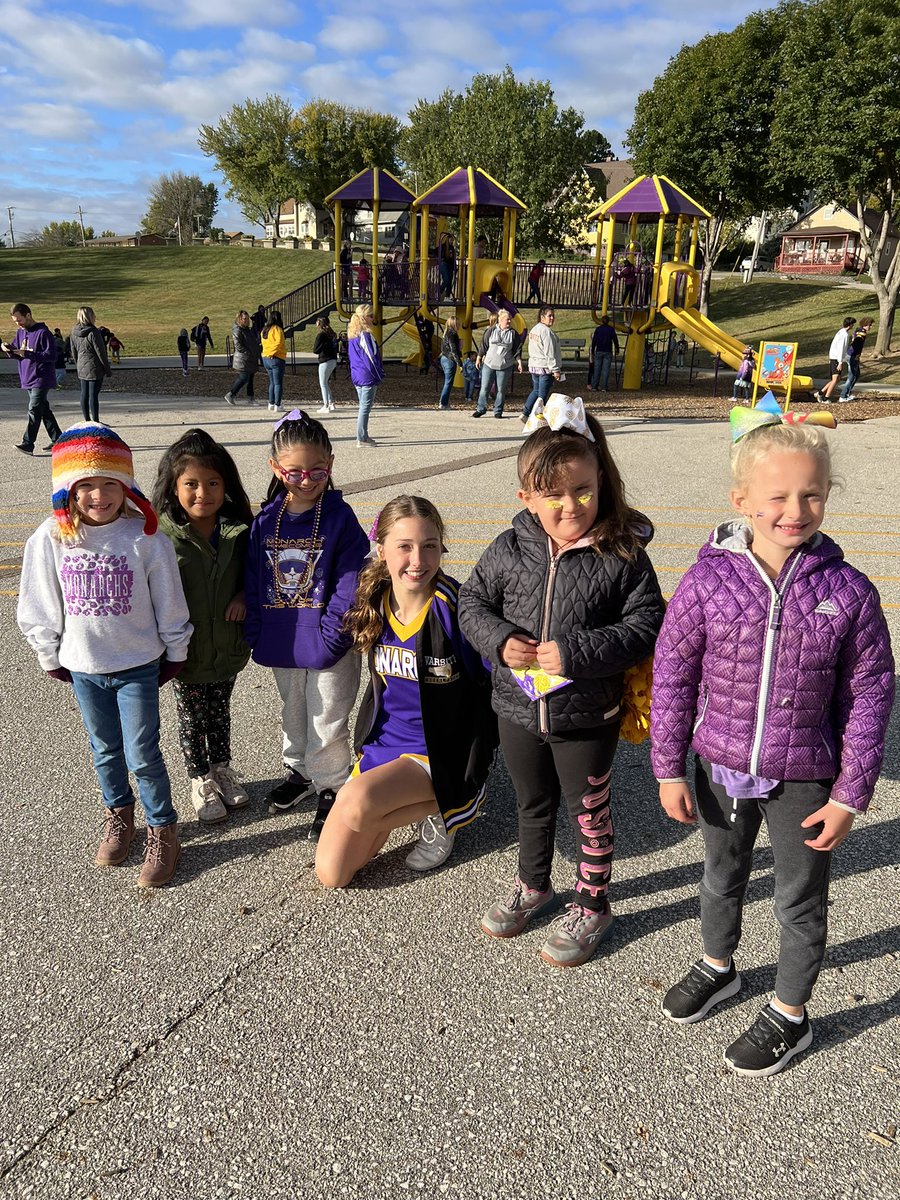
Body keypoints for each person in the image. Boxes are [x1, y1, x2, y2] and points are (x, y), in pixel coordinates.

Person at [650, 411, 894, 1076]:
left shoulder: (848, 592)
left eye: (812, 494)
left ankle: (791, 1012)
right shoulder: (707, 581)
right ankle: (718, 964)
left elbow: (872, 693)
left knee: (798, 896)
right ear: (742, 502)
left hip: (806, 775)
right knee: (721, 875)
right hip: (719, 765)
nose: (795, 510)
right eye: (778, 497)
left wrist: (850, 792)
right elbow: (671, 675)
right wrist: (669, 766)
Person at [459, 396, 666, 966]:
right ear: (526, 496)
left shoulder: (622, 553)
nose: (570, 505)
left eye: (582, 490)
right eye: (552, 494)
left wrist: (577, 652)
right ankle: (535, 885)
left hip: (586, 713)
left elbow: (647, 623)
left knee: (589, 810)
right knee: (532, 803)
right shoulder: (509, 548)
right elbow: (472, 602)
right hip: (518, 708)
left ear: (602, 481)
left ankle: (594, 901)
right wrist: (500, 640)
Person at [16, 423, 193, 887]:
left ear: (126, 485)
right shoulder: (52, 538)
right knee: (104, 750)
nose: (98, 495)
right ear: (67, 490)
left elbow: (169, 601)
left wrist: (175, 649)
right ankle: (120, 816)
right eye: (86, 485)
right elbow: (39, 601)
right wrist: (48, 652)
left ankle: (162, 828)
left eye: (109, 483)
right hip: (85, 667)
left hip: (137, 664)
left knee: (142, 753)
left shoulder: (146, 538)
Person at [315, 496, 495, 887]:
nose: (418, 560)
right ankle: (410, 802)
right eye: (405, 547)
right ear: (381, 550)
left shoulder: (458, 610)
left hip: (437, 751)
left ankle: (451, 806)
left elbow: (498, 678)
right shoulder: (374, 602)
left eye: (430, 545)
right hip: (384, 745)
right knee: (333, 875)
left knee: (359, 807)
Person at [244, 409, 369, 836]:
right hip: (283, 640)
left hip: (328, 642)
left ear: (330, 464)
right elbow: (255, 578)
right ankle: (299, 771)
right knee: (293, 708)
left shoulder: (340, 518)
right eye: (294, 472)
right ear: (276, 469)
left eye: (316, 470)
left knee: (328, 714)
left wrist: (333, 635)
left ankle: (332, 785)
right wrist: (256, 629)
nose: (306, 480)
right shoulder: (265, 521)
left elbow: (350, 581)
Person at [154, 429, 254, 823]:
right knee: (192, 718)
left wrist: (245, 596)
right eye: (191, 484)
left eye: (213, 483)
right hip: (186, 650)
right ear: (174, 488)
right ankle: (199, 779)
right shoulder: (162, 537)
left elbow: (256, 575)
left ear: (225, 485)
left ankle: (222, 769)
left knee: (220, 710)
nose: (203, 493)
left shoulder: (239, 531)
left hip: (227, 645)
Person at [4, 302, 63, 455]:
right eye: (15, 321)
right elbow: (18, 352)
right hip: (27, 376)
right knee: (43, 410)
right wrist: (8, 349)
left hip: (41, 377)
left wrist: (28, 354)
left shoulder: (43, 332)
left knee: (34, 409)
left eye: (20, 320)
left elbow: (51, 356)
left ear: (28, 315)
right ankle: (58, 439)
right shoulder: (20, 332)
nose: (18, 324)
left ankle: (28, 444)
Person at [472, 307, 522, 419]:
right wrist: (479, 358)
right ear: (500, 320)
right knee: (485, 388)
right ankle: (481, 409)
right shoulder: (490, 331)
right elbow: (483, 345)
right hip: (489, 364)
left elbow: (517, 349)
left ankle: (498, 411)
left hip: (505, 365)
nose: (509, 321)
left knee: (501, 390)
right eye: (507, 319)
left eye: (510, 320)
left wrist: (519, 362)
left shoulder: (513, 334)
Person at [347, 303, 384, 447]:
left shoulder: (352, 335)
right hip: (367, 375)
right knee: (365, 408)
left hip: (357, 374)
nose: (373, 318)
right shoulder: (365, 335)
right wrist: (379, 374)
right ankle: (362, 437)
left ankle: (363, 435)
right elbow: (371, 358)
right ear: (365, 318)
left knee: (363, 406)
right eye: (371, 316)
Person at [70, 306, 112, 424]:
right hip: (94, 367)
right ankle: (96, 421)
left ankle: (87, 420)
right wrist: (107, 369)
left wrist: (78, 363)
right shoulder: (94, 332)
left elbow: (73, 350)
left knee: (84, 393)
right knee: (93, 395)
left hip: (81, 365)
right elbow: (101, 352)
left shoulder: (73, 331)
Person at [522, 307, 562, 421]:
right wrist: (555, 369)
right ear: (542, 317)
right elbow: (549, 352)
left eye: (553, 316)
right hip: (545, 367)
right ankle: (538, 417)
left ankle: (526, 412)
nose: (552, 318)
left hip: (535, 365)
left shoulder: (535, 329)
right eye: (549, 316)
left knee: (536, 390)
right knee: (542, 395)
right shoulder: (546, 331)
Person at [816, 316, 855, 403]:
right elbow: (841, 349)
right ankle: (825, 398)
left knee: (837, 379)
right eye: (853, 324)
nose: (853, 326)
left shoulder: (840, 332)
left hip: (834, 357)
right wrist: (840, 362)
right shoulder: (844, 335)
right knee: (835, 379)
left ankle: (820, 393)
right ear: (850, 325)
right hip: (836, 359)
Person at [225, 310, 259, 406]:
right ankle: (231, 394)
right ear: (239, 319)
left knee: (251, 378)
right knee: (244, 377)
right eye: (244, 319)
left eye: (247, 319)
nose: (246, 320)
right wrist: (248, 352)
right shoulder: (237, 330)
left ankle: (251, 397)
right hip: (243, 358)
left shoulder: (247, 329)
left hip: (250, 358)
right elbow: (238, 345)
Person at [839, 317, 873, 402]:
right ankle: (843, 396)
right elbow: (857, 340)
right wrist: (856, 352)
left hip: (853, 355)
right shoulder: (862, 333)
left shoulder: (858, 330)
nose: (870, 327)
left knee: (856, 375)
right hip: (852, 356)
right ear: (865, 325)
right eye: (870, 325)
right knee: (851, 376)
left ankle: (847, 393)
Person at [261, 310, 287, 413]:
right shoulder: (277, 329)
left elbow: (263, 343)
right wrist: (272, 352)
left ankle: (271, 403)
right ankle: (278, 404)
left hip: (265, 357)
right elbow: (279, 343)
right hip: (276, 357)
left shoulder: (264, 330)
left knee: (272, 382)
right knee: (278, 383)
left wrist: (267, 353)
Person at [588, 316, 620, 393]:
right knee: (605, 370)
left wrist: (592, 350)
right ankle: (604, 387)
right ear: (608, 321)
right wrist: (617, 348)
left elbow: (594, 341)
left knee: (597, 369)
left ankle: (594, 386)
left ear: (602, 321)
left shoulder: (598, 329)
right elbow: (615, 339)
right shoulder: (611, 329)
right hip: (607, 351)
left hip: (599, 350)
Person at [314, 316, 339, 414]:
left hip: (324, 360)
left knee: (323, 383)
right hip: (333, 360)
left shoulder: (321, 335)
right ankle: (331, 403)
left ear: (320, 323)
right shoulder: (332, 334)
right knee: (326, 382)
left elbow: (315, 350)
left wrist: (322, 346)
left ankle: (326, 405)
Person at [438, 315, 463, 410]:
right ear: (454, 324)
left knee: (447, 381)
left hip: (444, 358)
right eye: (458, 323)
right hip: (449, 360)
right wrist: (460, 364)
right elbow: (453, 351)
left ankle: (444, 402)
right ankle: (443, 402)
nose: (459, 325)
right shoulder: (452, 334)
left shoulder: (446, 333)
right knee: (448, 382)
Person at [437, 231, 456, 299]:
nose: (451, 241)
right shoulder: (443, 246)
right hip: (444, 263)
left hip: (450, 265)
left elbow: (453, 258)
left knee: (450, 281)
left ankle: (447, 296)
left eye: (452, 240)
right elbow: (443, 255)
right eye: (450, 240)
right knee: (446, 279)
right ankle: (439, 292)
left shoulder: (452, 248)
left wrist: (455, 267)